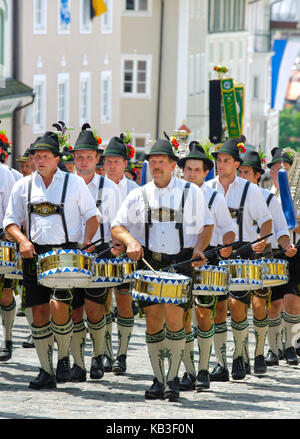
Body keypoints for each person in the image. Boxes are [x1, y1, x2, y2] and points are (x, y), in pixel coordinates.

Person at [111, 138, 214, 401]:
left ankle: (173, 379)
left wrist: (198, 249)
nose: (156, 166)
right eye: (152, 162)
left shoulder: (191, 192)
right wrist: (131, 242)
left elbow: (206, 226)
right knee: (154, 322)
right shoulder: (139, 194)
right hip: (151, 263)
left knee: (176, 321)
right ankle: (158, 378)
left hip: (181, 261)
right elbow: (117, 226)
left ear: (173, 165)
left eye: (161, 162)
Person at [3, 130, 100, 390]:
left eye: (46, 156)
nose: (41, 160)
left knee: (60, 307)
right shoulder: (23, 185)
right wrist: (22, 240)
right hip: (33, 253)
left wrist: (87, 242)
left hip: (65, 252)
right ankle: (45, 369)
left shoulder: (74, 183)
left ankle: (64, 358)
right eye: (37, 156)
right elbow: (10, 221)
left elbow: (92, 216)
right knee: (38, 312)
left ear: (57, 159)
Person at [206, 137, 272, 381]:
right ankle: (221, 363)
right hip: (212, 251)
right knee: (218, 309)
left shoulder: (250, 189)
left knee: (237, 306)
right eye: (218, 161)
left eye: (226, 161)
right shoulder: (207, 188)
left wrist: (262, 239)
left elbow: (266, 220)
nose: (221, 165)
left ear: (236, 164)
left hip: (242, 251)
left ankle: (239, 357)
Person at [177, 141, 235, 391]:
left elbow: (229, 230)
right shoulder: (174, 194)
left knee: (203, 314)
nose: (191, 174)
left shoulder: (215, 198)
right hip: (180, 258)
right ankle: (188, 370)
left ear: (205, 172)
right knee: (181, 316)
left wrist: (227, 245)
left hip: (208, 258)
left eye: (197, 170)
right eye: (188, 169)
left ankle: (202, 370)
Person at [238, 150, 297, 374]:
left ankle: (262, 351)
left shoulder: (268, 198)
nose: (242, 176)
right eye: (240, 171)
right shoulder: (228, 196)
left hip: (264, 256)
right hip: (238, 256)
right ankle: (240, 354)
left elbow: (281, 228)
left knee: (263, 305)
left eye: (246, 172)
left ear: (256, 176)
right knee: (238, 307)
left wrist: (285, 245)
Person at [70, 125, 120, 382]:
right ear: (74, 158)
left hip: (100, 251)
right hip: (70, 252)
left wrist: (117, 245)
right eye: (80, 156)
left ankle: (97, 356)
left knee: (94, 309)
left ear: (96, 159)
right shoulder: (66, 183)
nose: (84, 161)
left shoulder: (109, 188)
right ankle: (77, 362)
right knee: (74, 310)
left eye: (89, 156)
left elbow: (117, 223)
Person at [102, 135, 139, 375]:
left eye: (116, 161)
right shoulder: (95, 185)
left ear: (125, 163)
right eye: (108, 161)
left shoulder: (136, 190)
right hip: (102, 250)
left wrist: (125, 243)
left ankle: (122, 353)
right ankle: (104, 353)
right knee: (101, 302)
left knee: (124, 300)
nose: (111, 165)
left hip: (126, 251)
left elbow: (140, 223)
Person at [265, 147, 300, 365]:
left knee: (293, 301)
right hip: (274, 254)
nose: (281, 175)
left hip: (296, 252)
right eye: (277, 170)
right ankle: (272, 347)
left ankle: (291, 344)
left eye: (285, 170)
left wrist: (293, 225)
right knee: (273, 303)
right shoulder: (267, 196)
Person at [0, 130, 18, 361]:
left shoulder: (4, 174)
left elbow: (11, 210)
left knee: (5, 293)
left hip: (2, 238)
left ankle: (8, 337)